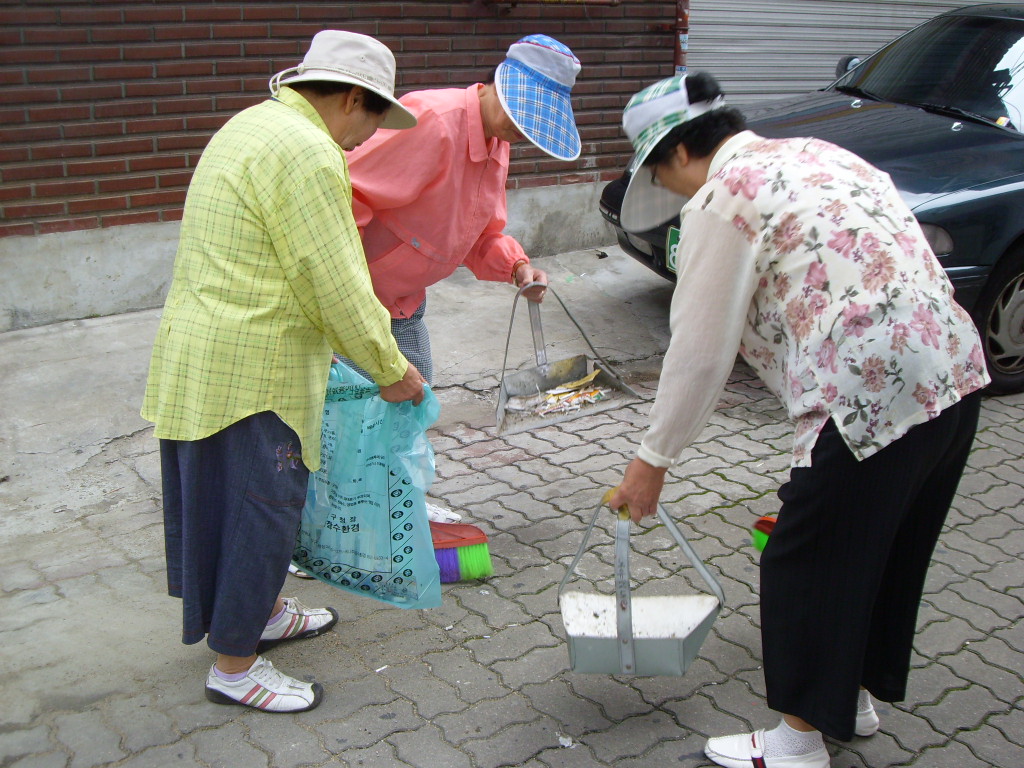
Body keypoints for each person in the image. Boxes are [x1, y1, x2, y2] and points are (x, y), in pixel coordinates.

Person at [608, 73, 989, 768]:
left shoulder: (726, 194)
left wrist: (651, 459)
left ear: (683, 153)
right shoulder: (820, 153)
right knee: (877, 547)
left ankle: (798, 741)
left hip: (869, 389)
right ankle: (851, 701)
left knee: (802, 560)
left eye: (666, 177)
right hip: (954, 372)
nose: (676, 193)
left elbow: (699, 350)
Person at [141, 30, 425, 714]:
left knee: (230, 504)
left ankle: (259, 613)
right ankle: (235, 667)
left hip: (204, 352)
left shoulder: (252, 125)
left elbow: (268, 253)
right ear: (352, 99)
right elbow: (331, 277)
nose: (365, 141)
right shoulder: (309, 152)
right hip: (252, 368)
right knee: (261, 512)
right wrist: (391, 367)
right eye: (370, 122)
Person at [338, 33, 582, 523]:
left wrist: (516, 266)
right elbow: (344, 191)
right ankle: (325, 520)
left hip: (404, 298)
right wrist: (344, 292)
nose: (521, 132)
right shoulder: (434, 121)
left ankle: (391, 501)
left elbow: (477, 233)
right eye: (521, 116)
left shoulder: (497, 142)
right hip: (350, 296)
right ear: (499, 85)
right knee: (347, 413)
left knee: (412, 398)